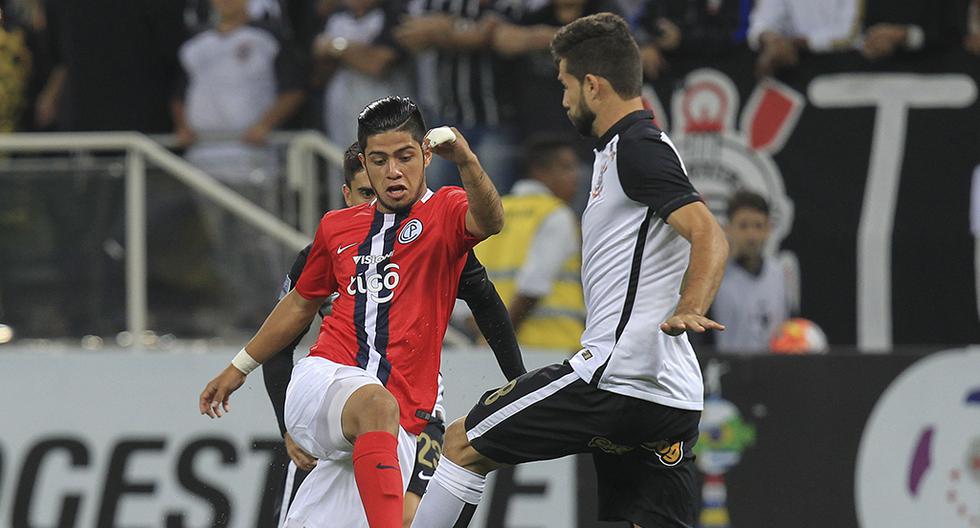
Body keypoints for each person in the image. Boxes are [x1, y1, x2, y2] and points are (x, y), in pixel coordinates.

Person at [412, 13, 729, 528]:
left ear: (592, 85)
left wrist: (691, 305)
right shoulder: (626, 152)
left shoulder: (638, 148)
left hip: (616, 378)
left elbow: (709, 232)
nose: (562, 100)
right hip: (671, 394)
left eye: (564, 85)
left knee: (463, 444)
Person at [199, 95, 504, 528]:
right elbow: (302, 303)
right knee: (375, 405)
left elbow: (491, 221)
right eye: (379, 160)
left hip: (395, 425)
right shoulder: (337, 227)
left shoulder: (446, 210)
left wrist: (469, 161)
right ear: (364, 161)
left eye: (404, 157)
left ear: (426, 155)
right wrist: (239, 367)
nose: (393, 172)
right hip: (325, 381)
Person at [261, 142, 525, 526]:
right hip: (340, 412)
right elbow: (279, 346)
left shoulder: (432, 239)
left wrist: (517, 380)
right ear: (346, 195)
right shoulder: (323, 252)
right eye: (366, 193)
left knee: (409, 516)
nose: (379, 198)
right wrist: (287, 429)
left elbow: (487, 304)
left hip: (415, 418)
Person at [172, 0, 306, 331]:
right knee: (221, 244)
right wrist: (183, 125)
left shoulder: (269, 39)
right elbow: (178, 92)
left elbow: (294, 88)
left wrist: (265, 124)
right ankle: (241, 309)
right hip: (206, 161)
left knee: (260, 241)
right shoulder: (194, 44)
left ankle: (280, 312)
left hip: (251, 161)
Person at [473, 135, 585, 352]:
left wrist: (485, 340)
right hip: (551, 348)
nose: (576, 177)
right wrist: (498, 336)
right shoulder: (556, 214)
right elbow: (533, 286)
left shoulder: (492, 213)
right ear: (540, 171)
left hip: (495, 353)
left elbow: (465, 289)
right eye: (567, 168)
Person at [710, 190, 792, 354]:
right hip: (727, 374)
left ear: (769, 229)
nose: (751, 236)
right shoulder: (714, 278)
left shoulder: (779, 276)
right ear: (728, 229)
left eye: (758, 226)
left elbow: (789, 329)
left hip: (774, 374)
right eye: (743, 226)